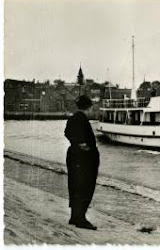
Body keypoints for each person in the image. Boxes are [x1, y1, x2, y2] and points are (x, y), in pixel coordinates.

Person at [64, 95, 99, 230]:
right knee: (85, 187)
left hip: (74, 156)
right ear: (88, 107)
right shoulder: (82, 119)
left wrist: (75, 143)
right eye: (91, 106)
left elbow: (67, 133)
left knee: (75, 186)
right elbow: (78, 137)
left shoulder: (73, 118)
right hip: (84, 159)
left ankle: (74, 216)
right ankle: (81, 219)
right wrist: (81, 144)